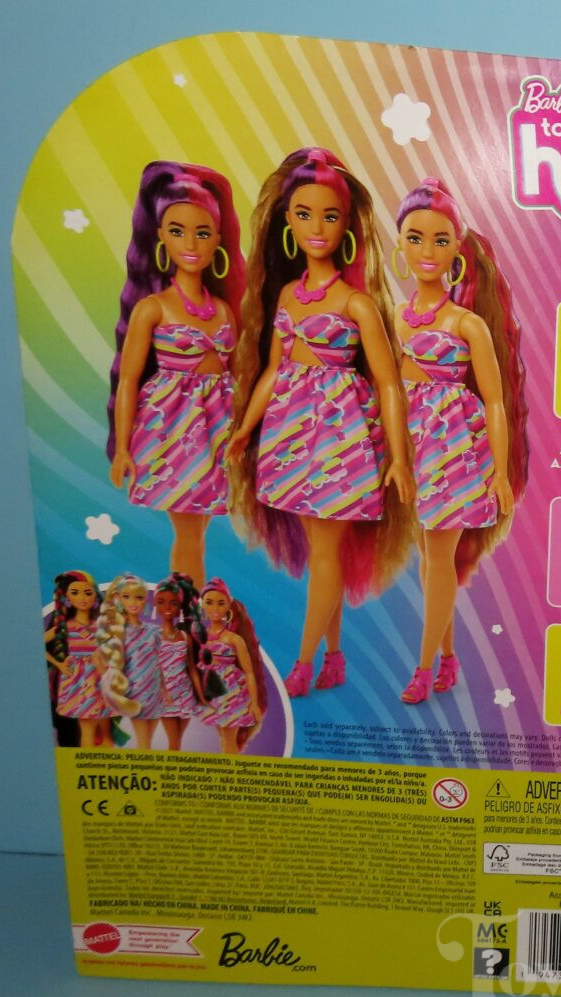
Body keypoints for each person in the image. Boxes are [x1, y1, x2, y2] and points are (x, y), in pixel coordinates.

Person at [228, 148, 414, 697]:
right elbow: (274, 369)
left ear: (346, 226)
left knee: (328, 552)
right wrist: (245, 429)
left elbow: (388, 382)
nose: (316, 227)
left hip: (340, 439)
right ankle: (333, 658)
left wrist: (399, 457)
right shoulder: (289, 294)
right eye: (304, 214)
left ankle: (304, 662)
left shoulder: (357, 304)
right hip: (290, 435)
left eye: (329, 216)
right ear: (288, 220)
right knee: (322, 553)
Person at [393, 178, 528, 703]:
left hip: (452, 449)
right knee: (431, 560)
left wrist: (499, 472)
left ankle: (424, 667)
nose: (427, 251)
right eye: (415, 238)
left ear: (457, 250)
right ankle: (448, 659)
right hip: (412, 448)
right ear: (400, 245)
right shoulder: (394, 317)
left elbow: (495, 401)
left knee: (438, 556)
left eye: (440, 240)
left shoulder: (467, 324)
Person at [107, 162, 245, 587]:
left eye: (202, 233)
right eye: (178, 231)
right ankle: (190, 608)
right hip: (174, 430)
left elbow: (237, 374)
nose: (190, 243)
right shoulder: (153, 308)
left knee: (197, 532)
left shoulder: (224, 310)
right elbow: (128, 379)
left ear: (217, 240)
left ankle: (189, 606)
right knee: (189, 533)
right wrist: (123, 447)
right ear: (161, 237)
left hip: (217, 429)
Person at [94, 574, 165, 749]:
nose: (133, 602)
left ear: (145, 600)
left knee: (148, 740)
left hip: (155, 693)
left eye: (139, 597)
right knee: (143, 742)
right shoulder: (117, 629)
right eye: (127, 597)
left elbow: (159, 663)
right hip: (135, 693)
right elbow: (98, 658)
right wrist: (112, 684)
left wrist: (165, 690)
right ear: (119, 599)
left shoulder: (154, 631)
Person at [197, 579, 266, 753]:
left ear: (228, 605)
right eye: (209, 603)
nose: (215, 608)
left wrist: (254, 703)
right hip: (212, 695)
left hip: (231, 694)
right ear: (202, 604)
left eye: (220, 603)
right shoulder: (200, 635)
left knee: (228, 740)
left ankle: (230, 767)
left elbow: (249, 672)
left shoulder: (234, 639)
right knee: (224, 739)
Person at [45, 570, 111, 748]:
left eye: (88, 593)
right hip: (79, 680)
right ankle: (86, 761)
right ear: (67, 597)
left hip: (100, 677)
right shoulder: (65, 626)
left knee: (104, 730)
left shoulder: (101, 626)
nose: (82, 598)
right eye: (75, 593)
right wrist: (59, 664)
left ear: (95, 596)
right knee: (87, 729)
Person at [154, 573, 204, 751]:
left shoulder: (184, 636)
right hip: (165, 696)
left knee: (177, 744)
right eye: (161, 602)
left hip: (185, 694)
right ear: (155, 604)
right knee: (174, 742)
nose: (167, 607)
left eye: (173, 603)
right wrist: (164, 692)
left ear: (180, 607)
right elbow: (155, 669)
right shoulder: (153, 636)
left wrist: (201, 696)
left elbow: (191, 669)